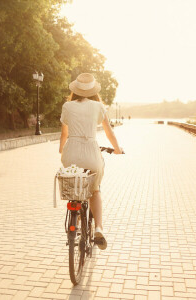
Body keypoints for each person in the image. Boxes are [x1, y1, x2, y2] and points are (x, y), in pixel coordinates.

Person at [59, 73, 123, 250]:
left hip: (70, 154)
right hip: (91, 153)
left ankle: (75, 222)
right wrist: (117, 149)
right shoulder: (98, 106)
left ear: (75, 90)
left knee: (75, 189)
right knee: (94, 191)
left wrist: (61, 149)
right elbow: (109, 132)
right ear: (94, 91)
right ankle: (99, 228)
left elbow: (64, 133)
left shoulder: (67, 106)